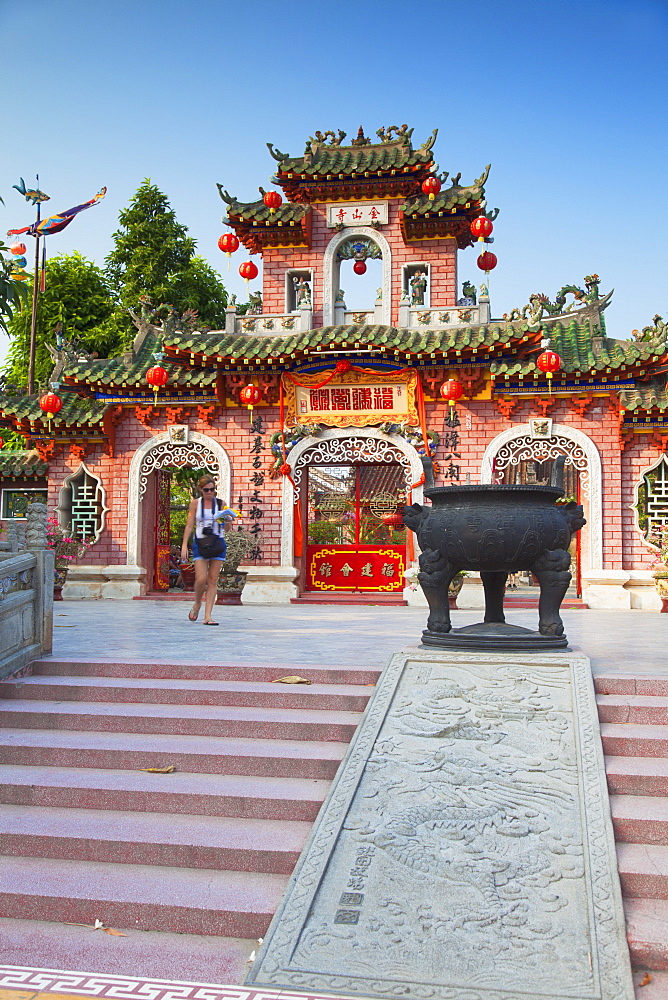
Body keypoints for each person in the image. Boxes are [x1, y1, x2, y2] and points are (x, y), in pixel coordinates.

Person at [180, 475, 238, 625]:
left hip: (217, 542)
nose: (210, 492)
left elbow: (227, 529)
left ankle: (208, 616)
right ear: (201, 489)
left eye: (212, 490)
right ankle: (197, 603)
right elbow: (189, 525)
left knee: (212, 579)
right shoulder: (195, 504)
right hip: (200, 542)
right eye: (206, 490)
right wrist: (184, 545)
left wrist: (227, 521)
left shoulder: (220, 504)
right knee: (201, 579)